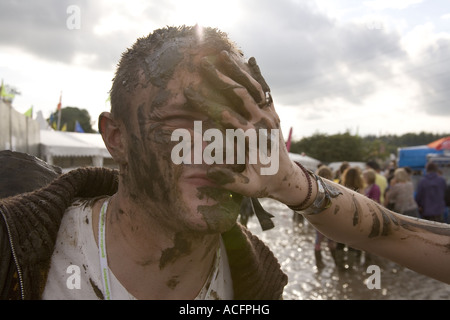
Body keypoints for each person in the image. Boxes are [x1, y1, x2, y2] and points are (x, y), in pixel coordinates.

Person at [1, 25, 450, 301]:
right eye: (179, 122)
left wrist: (293, 182)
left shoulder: (258, 281)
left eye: (231, 123)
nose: (211, 143)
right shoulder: (15, 246)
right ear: (115, 136)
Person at [311, 165, 338, 269]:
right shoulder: (333, 186)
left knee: (318, 241)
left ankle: (319, 263)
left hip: (318, 218)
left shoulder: (315, 186)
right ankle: (336, 262)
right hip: (330, 219)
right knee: (331, 241)